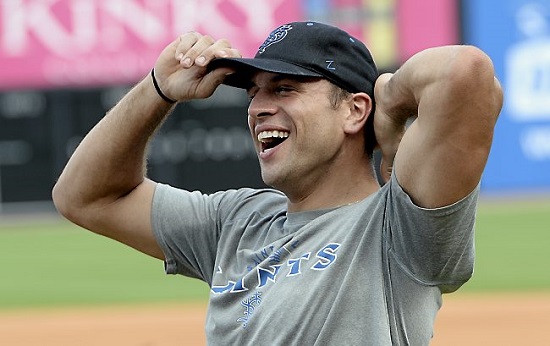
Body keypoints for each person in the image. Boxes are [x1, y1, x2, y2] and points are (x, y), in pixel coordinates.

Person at [52, 21, 503, 345]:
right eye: (254, 92)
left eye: (284, 88)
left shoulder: (399, 224)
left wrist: (389, 98)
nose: (258, 108)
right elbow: (84, 196)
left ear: (353, 110)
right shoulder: (236, 222)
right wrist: (158, 89)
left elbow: (464, 73)